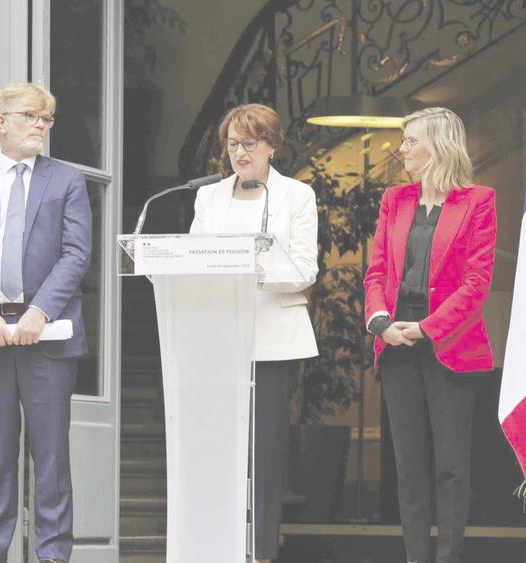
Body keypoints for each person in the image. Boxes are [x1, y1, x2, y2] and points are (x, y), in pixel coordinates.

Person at [0, 83, 92, 563]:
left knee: (50, 459)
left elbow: (76, 253)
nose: (41, 126)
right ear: (1, 121)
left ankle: (51, 556)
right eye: (31, 116)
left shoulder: (66, 180)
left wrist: (38, 311)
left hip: (45, 335)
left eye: (47, 119)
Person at [364, 107, 496, 563]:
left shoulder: (478, 200)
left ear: (439, 145)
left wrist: (425, 328)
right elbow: (377, 269)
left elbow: (477, 283)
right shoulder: (395, 199)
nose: (402, 149)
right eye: (403, 140)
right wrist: (380, 320)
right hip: (396, 341)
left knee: (451, 467)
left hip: (448, 344)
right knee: (409, 467)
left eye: (411, 141)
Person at [190, 103, 318, 563]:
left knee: (264, 454)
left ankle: (262, 552)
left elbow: (305, 269)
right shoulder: (208, 198)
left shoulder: (297, 196)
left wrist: (249, 266)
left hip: (273, 338)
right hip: (217, 340)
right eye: (232, 144)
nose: (239, 153)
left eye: (249, 143)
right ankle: (218, 547)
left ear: (271, 145)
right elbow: (194, 261)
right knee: (218, 449)